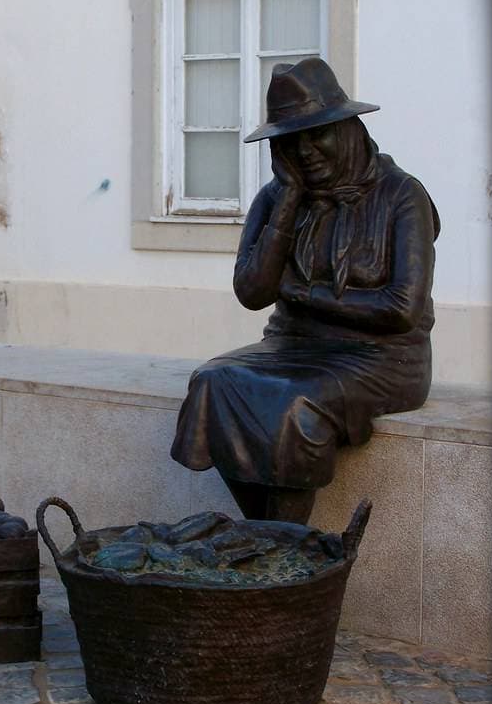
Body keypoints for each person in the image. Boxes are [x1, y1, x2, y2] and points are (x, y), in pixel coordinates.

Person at [170, 58, 440, 524]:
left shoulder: (402, 195)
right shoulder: (277, 197)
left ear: (349, 128)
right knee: (211, 382)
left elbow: (400, 310)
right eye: (291, 140)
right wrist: (289, 203)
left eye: (318, 134)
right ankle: (270, 536)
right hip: (291, 345)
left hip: (383, 357)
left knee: (295, 403)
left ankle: (282, 544)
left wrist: (300, 293)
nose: (307, 150)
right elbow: (253, 292)